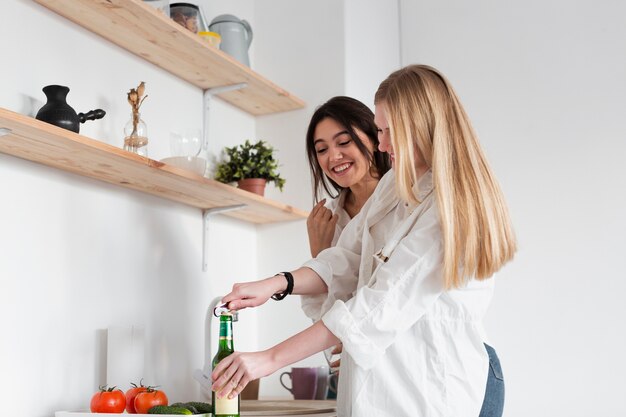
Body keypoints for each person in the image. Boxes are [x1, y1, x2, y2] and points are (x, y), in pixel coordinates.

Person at [211, 64, 517, 417]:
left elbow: (376, 305)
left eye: (387, 131)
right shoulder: (394, 187)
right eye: (379, 130)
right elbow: (345, 258)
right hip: (386, 383)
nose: (382, 144)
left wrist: (269, 359)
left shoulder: (446, 210)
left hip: (431, 387)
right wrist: (276, 283)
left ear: (421, 126)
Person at [302, 96, 392, 373]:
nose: (333, 157)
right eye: (322, 149)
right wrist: (318, 253)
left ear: (373, 135)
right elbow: (320, 312)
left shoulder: (404, 197)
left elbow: (401, 291)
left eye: (344, 142)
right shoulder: (328, 219)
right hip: (368, 368)